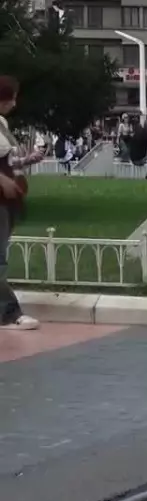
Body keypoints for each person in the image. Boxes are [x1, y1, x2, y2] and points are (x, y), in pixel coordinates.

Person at [0, 76, 45, 331]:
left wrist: (27, 161)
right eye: (9, 97)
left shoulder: (2, 124)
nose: (13, 103)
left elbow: (9, 160)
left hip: (7, 196)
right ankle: (9, 312)